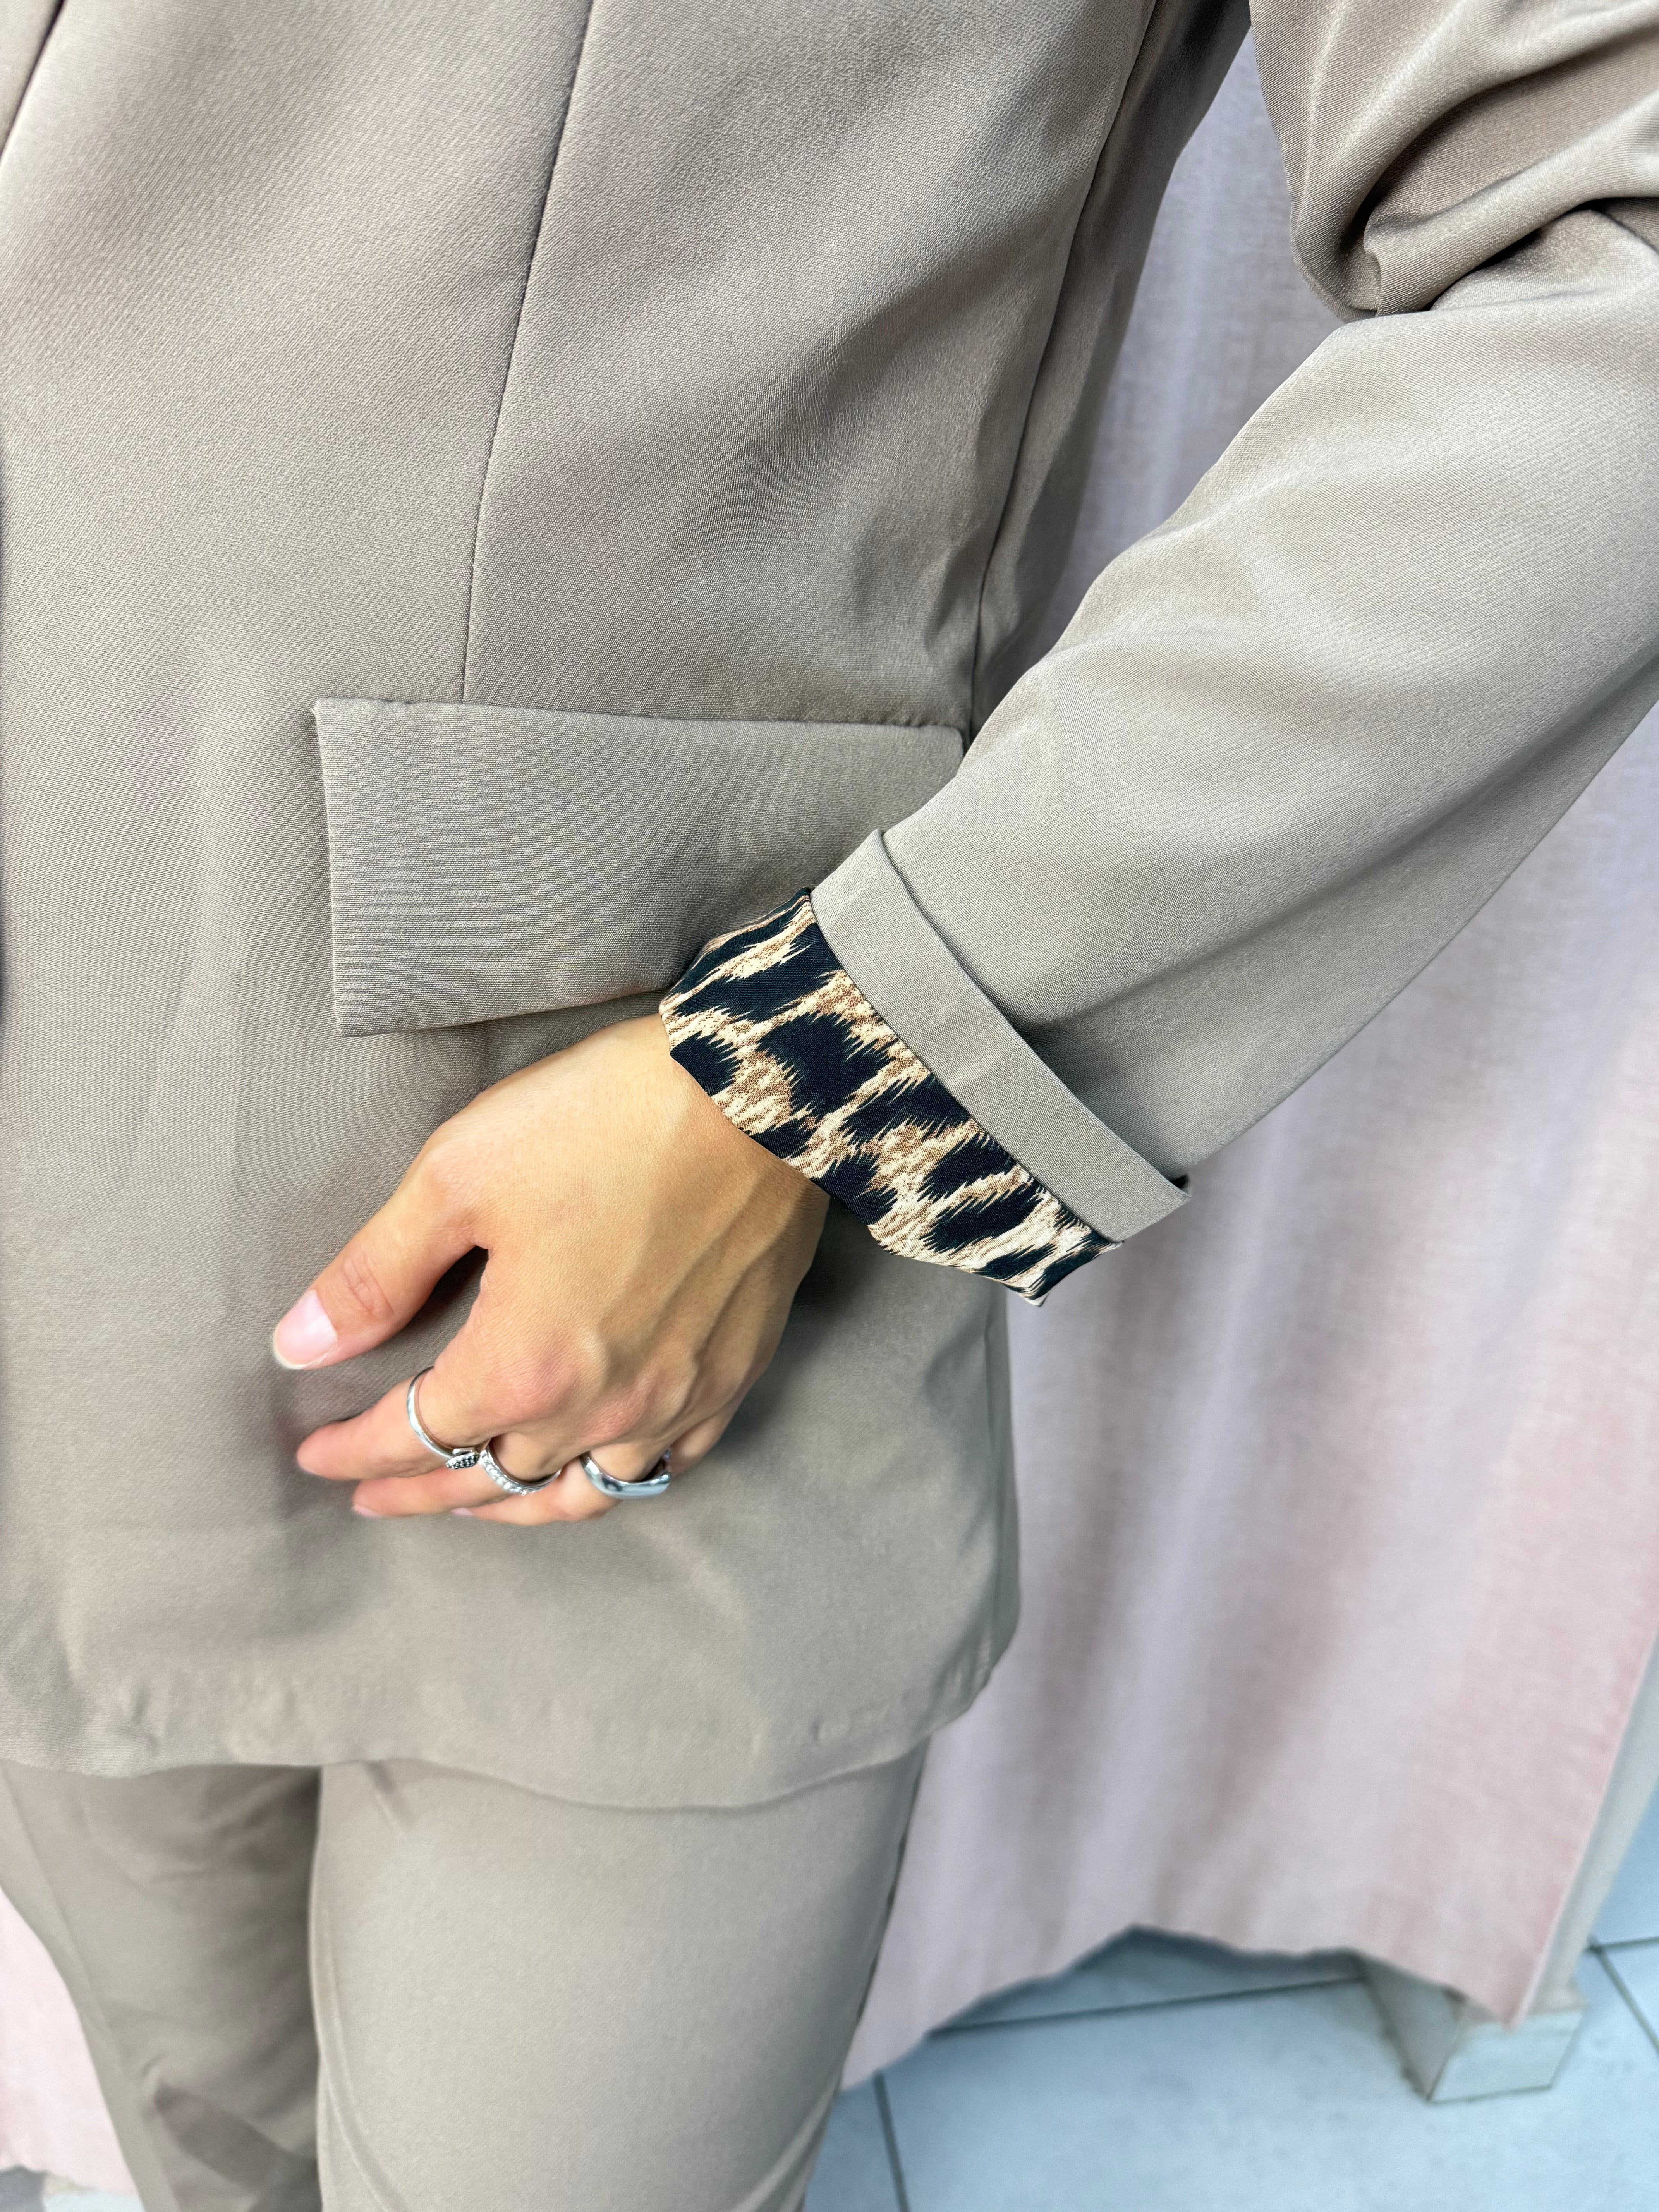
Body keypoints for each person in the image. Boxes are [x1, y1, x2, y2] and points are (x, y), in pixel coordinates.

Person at [0, 1, 1654, 2205]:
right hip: (50, 1297)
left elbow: (1622, 257)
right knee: (200, 2155)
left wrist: (831, 1069)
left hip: (627, 1295)